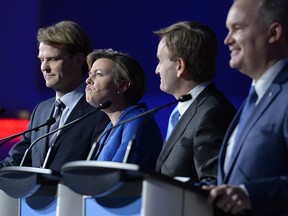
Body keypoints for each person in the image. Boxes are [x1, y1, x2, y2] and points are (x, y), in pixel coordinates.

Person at [205, 0, 288, 215]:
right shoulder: (254, 99)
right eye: (227, 30)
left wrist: (249, 194)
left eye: (238, 28)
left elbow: (245, 190)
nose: (227, 40)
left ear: (273, 33)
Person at [0, 21, 109, 172]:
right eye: (41, 60)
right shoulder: (41, 110)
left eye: (52, 59)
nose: (44, 67)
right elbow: (15, 163)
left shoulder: (101, 110)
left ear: (78, 60)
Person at [154, 21, 236, 183]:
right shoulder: (188, 109)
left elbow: (213, 184)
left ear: (180, 66)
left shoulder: (212, 112)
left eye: (160, 61)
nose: (157, 70)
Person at [85, 48, 163, 169]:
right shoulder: (111, 126)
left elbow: (117, 174)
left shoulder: (137, 121)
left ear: (122, 85)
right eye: (90, 74)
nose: (88, 80)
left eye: (98, 74)